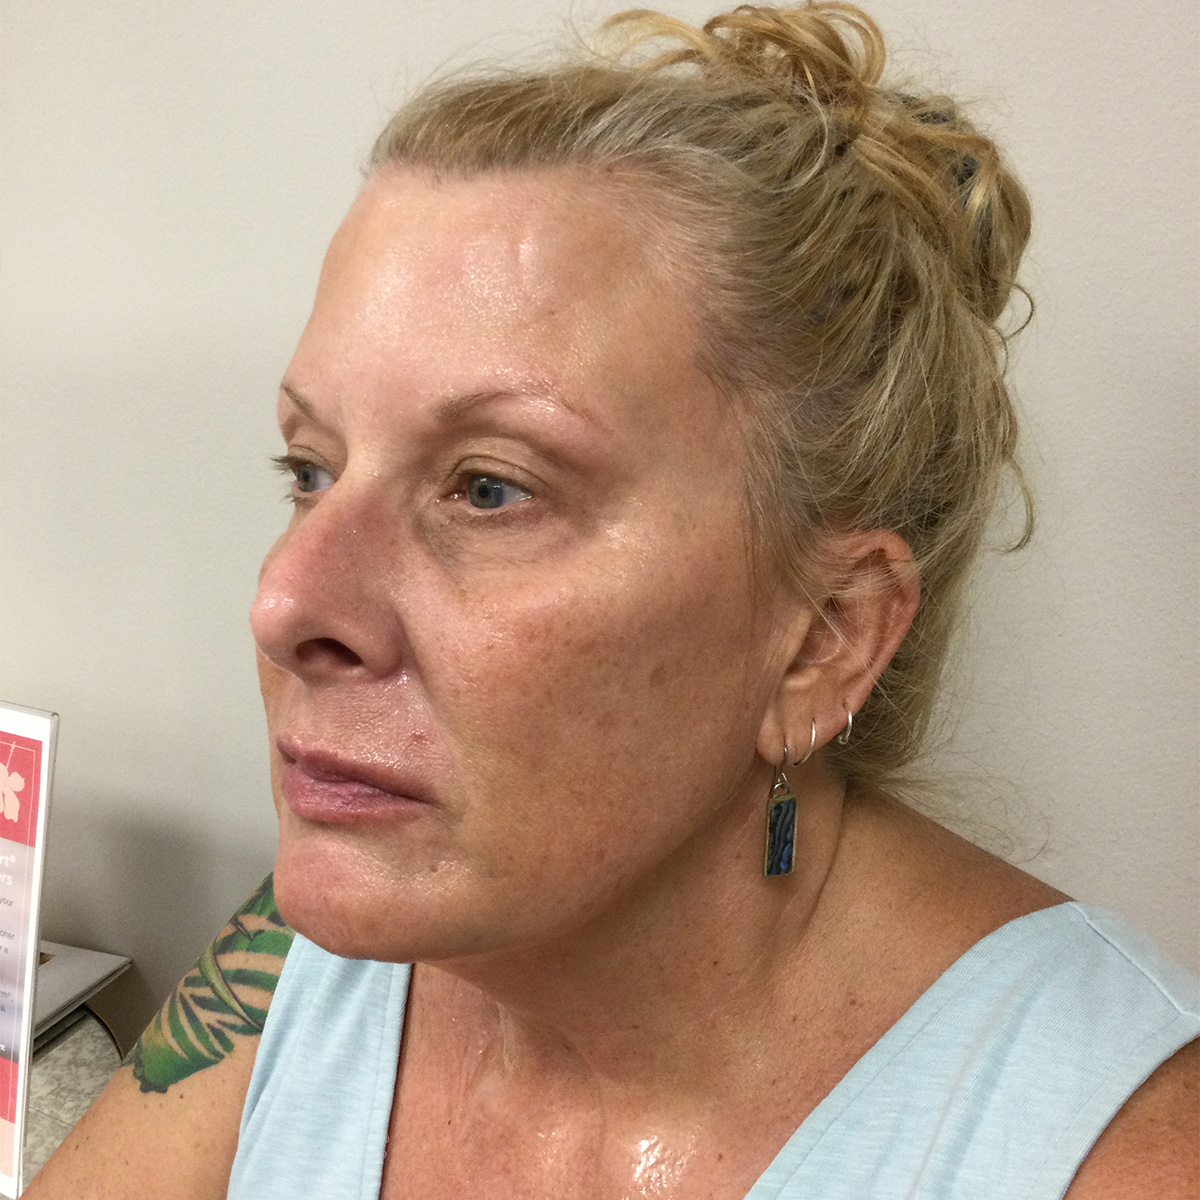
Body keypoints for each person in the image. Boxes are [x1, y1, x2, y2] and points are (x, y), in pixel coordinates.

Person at [26, 4, 1197, 1197]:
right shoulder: (293, 955)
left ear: (822, 640)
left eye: (490, 488)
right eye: (310, 470)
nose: (284, 601)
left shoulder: (1117, 1153)